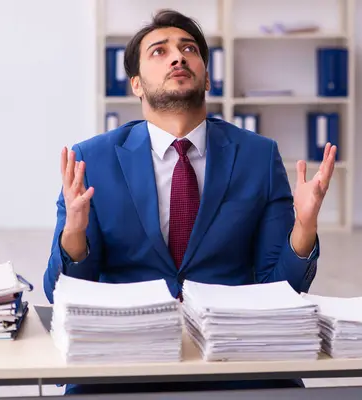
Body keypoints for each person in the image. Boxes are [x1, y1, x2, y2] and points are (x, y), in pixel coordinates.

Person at [43, 8, 337, 396]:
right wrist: (75, 233)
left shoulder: (258, 156)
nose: (178, 57)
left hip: (234, 351)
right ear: (136, 84)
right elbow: (59, 292)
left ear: (208, 77)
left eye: (188, 49)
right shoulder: (92, 160)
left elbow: (277, 286)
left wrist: (304, 227)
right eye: (159, 52)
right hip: (126, 352)